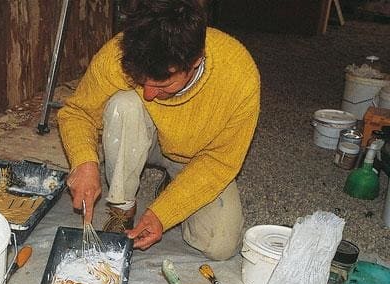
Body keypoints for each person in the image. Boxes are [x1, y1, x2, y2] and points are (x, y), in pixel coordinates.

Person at [57, 0, 260, 260]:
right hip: (142, 134)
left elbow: (220, 161)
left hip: (197, 157)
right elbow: (79, 112)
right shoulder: (120, 52)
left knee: (220, 245)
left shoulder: (239, 77)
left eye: (163, 84)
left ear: (196, 62)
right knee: (125, 104)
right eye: (142, 81)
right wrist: (84, 162)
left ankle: (173, 185)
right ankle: (123, 209)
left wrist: (163, 213)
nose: (150, 94)